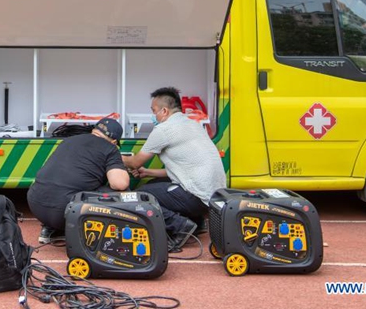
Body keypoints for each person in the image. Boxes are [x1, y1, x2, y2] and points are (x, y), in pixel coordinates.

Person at [123, 87, 227, 252]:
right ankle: (197, 222)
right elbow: (185, 169)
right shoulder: (193, 124)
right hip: (212, 198)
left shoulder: (164, 130)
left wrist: (113, 156)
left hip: (197, 196)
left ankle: (180, 226)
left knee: (140, 195)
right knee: (155, 183)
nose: (153, 116)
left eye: (154, 111)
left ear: (164, 111)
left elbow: (135, 162)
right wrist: (148, 172)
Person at [27, 117, 130, 244]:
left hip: (35, 204)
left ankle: (50, 229)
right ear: (114, 142)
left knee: (66, 186)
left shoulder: (69, 140)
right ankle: (93, 233)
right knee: (124, 193)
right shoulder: (110, 148)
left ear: (94, 130)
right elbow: (120, 184)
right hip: (65, 210)